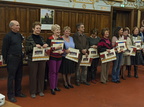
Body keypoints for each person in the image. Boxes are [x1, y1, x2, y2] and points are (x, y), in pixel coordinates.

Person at [2, 20, 26, 102]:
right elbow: (4, 49)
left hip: (19, 58)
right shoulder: (8, 36)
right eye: (17, 25)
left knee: (19, 76)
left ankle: (18, 92)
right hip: (12, 59)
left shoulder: (19, 35)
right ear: (11, 27)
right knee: (11, 77)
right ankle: (10, 95)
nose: (19, 27)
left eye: (19, 25)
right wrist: (6, 60)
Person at [25, 22, 48, 98]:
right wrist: (34, 46)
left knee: (41, 75)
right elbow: (26, 49)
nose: (39, 30)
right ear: (33, 29)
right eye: (37, 28)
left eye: (40, 28)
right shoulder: (29, 38)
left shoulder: (41, 38)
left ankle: (40, 90)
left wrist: (45, 45)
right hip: (33, 59)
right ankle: (33, 91)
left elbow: (45, 45)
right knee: (33, 75)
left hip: (42, 59)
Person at [46, 24, 63, 95]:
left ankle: (55, 86)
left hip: (59, 57)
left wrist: (62, 51)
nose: (58, 31)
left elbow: (63, 48)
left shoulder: (61, 39)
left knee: (56, 72)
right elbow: (47, 50)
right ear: (53, 31)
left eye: (59, 29)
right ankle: (52, 87)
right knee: (52, 72)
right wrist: (55, 48)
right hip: (52, 58)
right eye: (57, 30)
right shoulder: (49, 39)